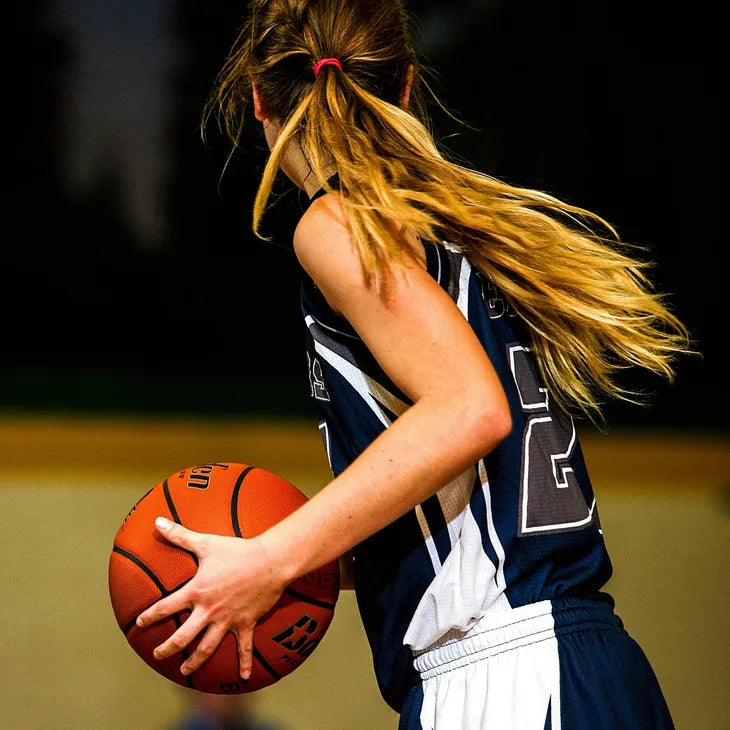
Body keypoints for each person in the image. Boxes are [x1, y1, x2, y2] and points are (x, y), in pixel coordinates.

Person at [136, 1, 693, 727]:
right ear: (404, 89)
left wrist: (271, 559)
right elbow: (466, 484)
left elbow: (469, 409)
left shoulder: (336, 223)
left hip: (506, 675)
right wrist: (291, 558)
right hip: (585, 664)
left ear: (257, 100)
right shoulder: (444, 222)